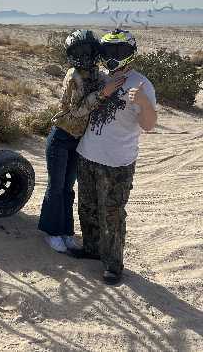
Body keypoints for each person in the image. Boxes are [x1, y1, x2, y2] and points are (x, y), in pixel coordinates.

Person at [71, 29, 157, 285]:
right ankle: (91, 248)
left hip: (117, 162)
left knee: (112, 214)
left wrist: (142, 101)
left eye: (119, 51)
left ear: (130, 53)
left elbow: (149, 125)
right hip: (87, 154)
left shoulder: (141, 84)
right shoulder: (100, 78)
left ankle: (112, 264)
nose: (113, 56)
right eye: (109, 50)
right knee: (87, 207)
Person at [38, 30, 126, 253]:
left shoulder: (96, 73)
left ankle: (66, 232)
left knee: (68, 188)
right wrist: (102, 94)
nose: (85, 56)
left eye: (88, 50)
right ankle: (52, 232)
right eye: (79, 52)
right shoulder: (73, 76)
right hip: (61, 136)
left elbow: (110, 84)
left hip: (78, 141)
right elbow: (77, 111)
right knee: (56, 187)